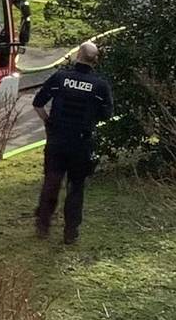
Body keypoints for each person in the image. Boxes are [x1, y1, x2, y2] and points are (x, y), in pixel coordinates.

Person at [30, 41, 115, 244]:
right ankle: (70, 233)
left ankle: (43, 225)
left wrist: (49, 123)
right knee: (76, 187)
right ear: (96, 61)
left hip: (57, 140)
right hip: (81, 143)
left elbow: (38, 103)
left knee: (51, 182)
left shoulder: (60, 78)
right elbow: (107, 114)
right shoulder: (100, 86)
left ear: (77, 56)